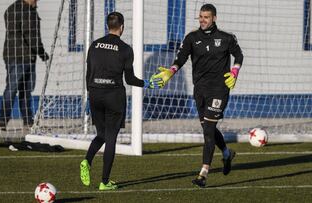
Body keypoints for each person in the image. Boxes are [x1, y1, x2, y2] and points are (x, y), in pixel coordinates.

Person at [151, 3, 243, 187]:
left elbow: (239, 55)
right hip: (200, 89)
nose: (202, 20)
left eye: (206, 17)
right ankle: (226, 153)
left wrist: (234, 72)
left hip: (219, 89)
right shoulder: (192, 38)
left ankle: (203, 173)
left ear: (214, 18)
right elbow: (181, 58)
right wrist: (171, 71)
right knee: (208, 129)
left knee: (208, 131)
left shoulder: (226, 38)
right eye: (200, 16)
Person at [79, 12, 155, 191]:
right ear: (122, 27)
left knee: (102, 134)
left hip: (95, 94)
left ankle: (87, 160)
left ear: (107, 26)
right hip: (114, 96)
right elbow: (130, 79)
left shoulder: (95, 44)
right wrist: (148, 84)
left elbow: (88, 73)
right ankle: (104, 182)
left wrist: (91, 93)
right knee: (111, 138)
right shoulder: (125, 49)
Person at [0, 0, 49, 131]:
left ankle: (9, 121)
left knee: (16, 89)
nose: (37, 2)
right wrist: (42, 53)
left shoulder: (11, 9)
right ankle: (23, 121)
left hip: (12, 55)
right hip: (24, 57)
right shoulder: (28, 11)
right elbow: (31, 36)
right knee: (21, 91)